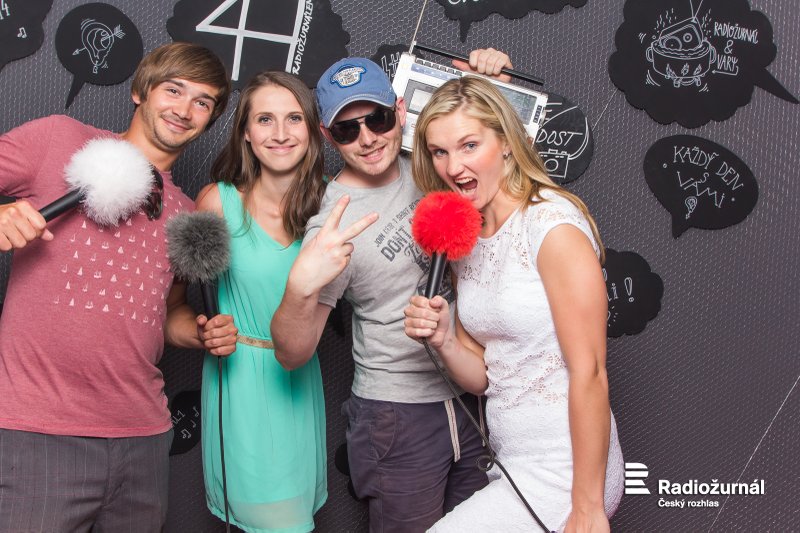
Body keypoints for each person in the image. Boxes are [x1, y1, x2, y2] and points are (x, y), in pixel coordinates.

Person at [271, 49, 513, 531]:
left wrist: (493, 81)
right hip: (397, 415)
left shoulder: (434, 162)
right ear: (327, 135)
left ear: (400, 110)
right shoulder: (333, 222)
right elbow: (292, 354)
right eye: (347, 129)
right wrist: (299, 287)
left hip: (476, 394)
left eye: (377, 119)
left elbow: (498, 141)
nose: (367, 138)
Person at [0, 42, 238, 532]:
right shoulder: (59, 139)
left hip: (143, 438)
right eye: (174, 90)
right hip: (39, 429)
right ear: (140, 91)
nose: (184, 109)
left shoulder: (186, 212)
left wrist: (196, 332)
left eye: (202, 101)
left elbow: (168, 313)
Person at [403, 76, 624, 532]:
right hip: (513, 463)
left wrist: (587, 506)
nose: (453, 166)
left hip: (568, 469)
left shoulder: (552, 227)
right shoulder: (468, 241)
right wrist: (445, 340)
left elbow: (591, 372)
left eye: (469, 145)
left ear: (506, 141)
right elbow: (485, 377)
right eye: (439, 152)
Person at [195, 71, 337, 532]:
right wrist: (203, 331)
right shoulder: (217, 204)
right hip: (242, 386)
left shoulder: (332, 205)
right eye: (264, 119)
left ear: (313, 129)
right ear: (245, 133)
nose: (279, 133)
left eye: (293, 118)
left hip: (299, 384)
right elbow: (173, 304)